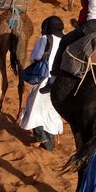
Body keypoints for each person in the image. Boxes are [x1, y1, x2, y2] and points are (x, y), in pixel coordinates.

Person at [20, 16, 65, 150]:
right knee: (52, 110)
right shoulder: (66, 39)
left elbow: (36, 56)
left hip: (45, 78)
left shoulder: (45, 39)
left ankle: (43, 139)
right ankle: (50, 137)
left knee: (34, 107)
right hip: (61, 80)